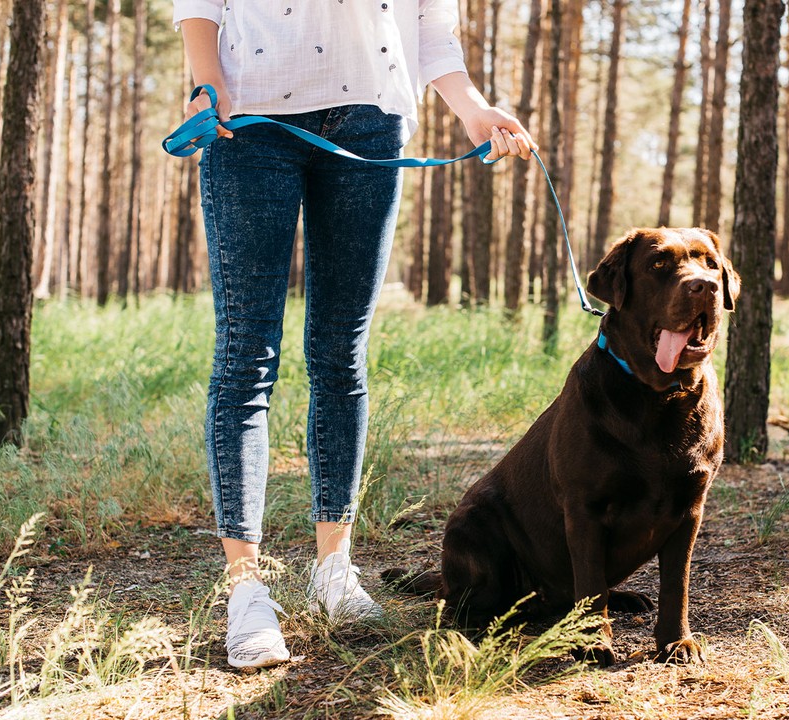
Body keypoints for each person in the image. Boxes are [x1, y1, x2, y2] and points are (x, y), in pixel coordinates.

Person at [172, 1, 536, 669]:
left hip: (371, 120)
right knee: (246, 355)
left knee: (340, 356)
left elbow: (430, 27)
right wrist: (206, 77)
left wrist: (472, 107)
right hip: (247, 118)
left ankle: (333, 570)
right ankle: (246, 590)